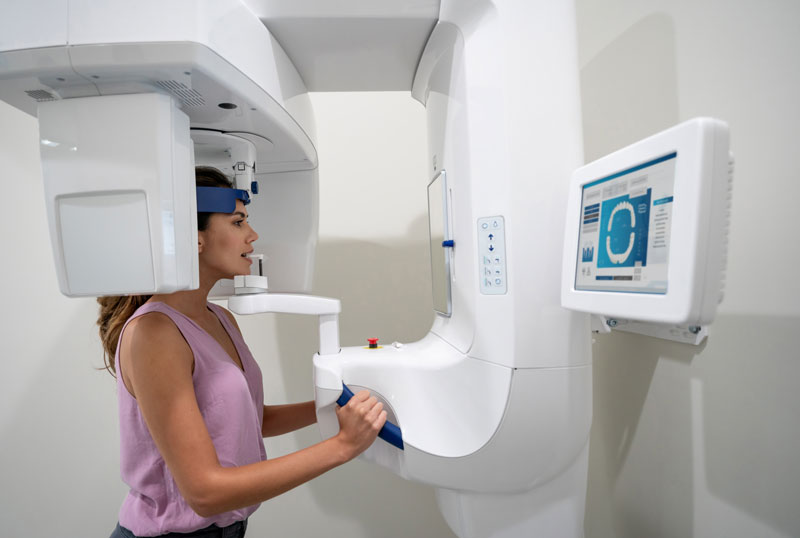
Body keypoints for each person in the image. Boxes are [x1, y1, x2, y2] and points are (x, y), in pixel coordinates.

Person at [98, 166, 387, 538]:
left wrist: (332, 406)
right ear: (194, 236)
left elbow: (250, 419)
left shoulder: (219, 317)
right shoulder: (155, 333)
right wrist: (342, 447)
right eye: (238, 223)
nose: (253, 235)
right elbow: (204, 492)